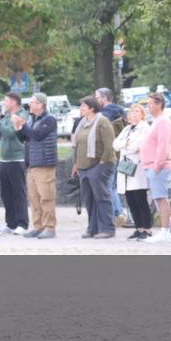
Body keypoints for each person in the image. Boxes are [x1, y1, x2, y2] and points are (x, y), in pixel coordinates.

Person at [73, 96, 117, 239]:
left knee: (102, 197)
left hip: (99, 165)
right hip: (84, 167)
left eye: (83, 106)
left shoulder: (102, 122)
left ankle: (107, 228)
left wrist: (103, 162)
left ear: (92, 108)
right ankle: (92, 228)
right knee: (89, 199)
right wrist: (76, 164)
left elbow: (110, 144)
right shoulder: (82, 123)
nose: (81, 108)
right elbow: (78, 145)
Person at [15, 92, 58, 239]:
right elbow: (25, 138)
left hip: (44, 164)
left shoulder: (49, 120)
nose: (30, 105)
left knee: (46, 197)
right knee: (34, 198)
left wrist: (24, 125)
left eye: (32, 102)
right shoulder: (33, 120)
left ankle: (49, 227)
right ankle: (38, 226)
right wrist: (18, 128)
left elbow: (37, 135)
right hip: (32, 164)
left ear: (40, 104)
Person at [142, 93, 171, 243]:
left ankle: (165, 231)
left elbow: (163, 146)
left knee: (162, 199)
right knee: (158, 198)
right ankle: (169, 225)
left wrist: (156, 166)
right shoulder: (156, 121)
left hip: (159, 167)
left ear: (158, 104)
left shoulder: (163, 121)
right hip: (152, 166)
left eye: (150, 104)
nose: (148, 107)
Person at [113, 103, 151, 240]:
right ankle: (138, 228)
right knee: (130, 199)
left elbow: (137, 146)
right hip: (125, 166)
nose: (133, 114)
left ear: (142, 114)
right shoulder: (127, 129)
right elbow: (115, 144)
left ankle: (147, 229)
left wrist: (125, 145)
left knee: (140, 198)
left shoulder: (145, 128)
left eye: (137, 111)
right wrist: (125, 144)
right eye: (131, 112)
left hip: (137, 165)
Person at [0, 92, 29, 235]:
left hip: (17, 158)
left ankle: (22, 223)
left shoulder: (22, 115)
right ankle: (11, 223)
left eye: (7, 100)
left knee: (18, 193)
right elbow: (0, 134)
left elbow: (9, 133)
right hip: (5, 159)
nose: (4, 102)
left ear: (14, 102)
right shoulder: (7, 116)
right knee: (6, 194)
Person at [96, 87, 127, 220]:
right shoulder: (121, 112)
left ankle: (117, 213)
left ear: (104, 98)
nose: (95, 100)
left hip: (110, 154)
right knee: (114, 185)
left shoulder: (104, 115)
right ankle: (118, 213)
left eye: (96, 97)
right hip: (121, 154)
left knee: (108, 185)